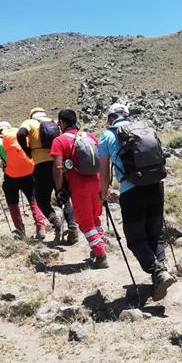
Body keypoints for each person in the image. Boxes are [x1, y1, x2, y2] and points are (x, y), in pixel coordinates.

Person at [98, 103, 176, 301]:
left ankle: (159, 273)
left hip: (131, 191)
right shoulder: (144, 129)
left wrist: (103, 193)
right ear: (127, 116)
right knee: (155, 234)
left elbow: (104, 171)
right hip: (156, 186)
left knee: (135, 239)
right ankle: (162, 271)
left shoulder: (107, 135)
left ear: (110, 118)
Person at [50, 108, 108, 269]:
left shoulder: (59, 141)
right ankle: (99, 247)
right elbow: (102, 158)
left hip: (79, 186)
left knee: (85, 222)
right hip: (96, 182)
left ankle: (100, 254)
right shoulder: (89, 136)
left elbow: (57, 167)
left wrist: (60, 189)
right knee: (95, 217)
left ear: (61, 123)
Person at [17, 108, 79, 245]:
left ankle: (54, 220)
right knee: (63, 196)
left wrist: (27, 151)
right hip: (57, 162)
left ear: (32, 114)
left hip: (41, 166)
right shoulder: (54, 123)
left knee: (42, 201)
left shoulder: (30, 122)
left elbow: (21, 134)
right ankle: (73, 228)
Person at [0, 121, 47, 239]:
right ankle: (41, 227)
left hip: (11, 176)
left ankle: (20, 231)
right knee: (33, 200)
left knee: (13, 203)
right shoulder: (20, 136)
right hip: (28, 172)